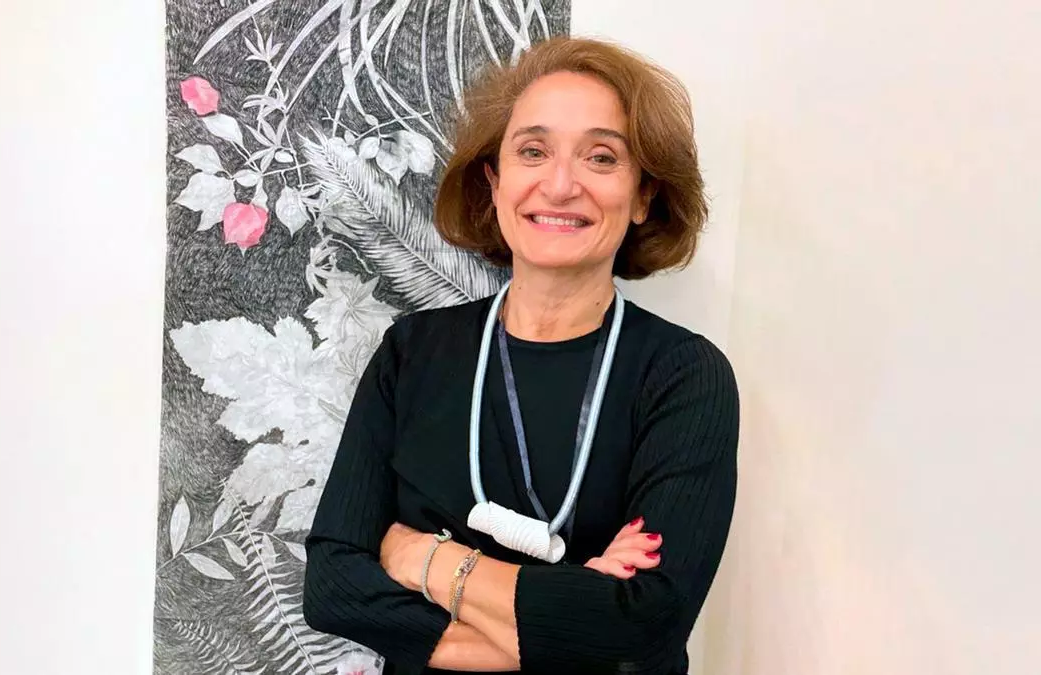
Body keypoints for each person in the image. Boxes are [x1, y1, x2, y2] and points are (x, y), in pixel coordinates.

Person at [304, 36, 738, 675]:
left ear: (643, 195)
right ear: (495, 181)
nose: (560, 185)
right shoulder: (412, 353)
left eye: (601, 157)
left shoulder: (685, 376)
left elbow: (646, 626)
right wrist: (575, 620)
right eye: (533, 151)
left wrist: (424, 558)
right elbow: (333, 586)